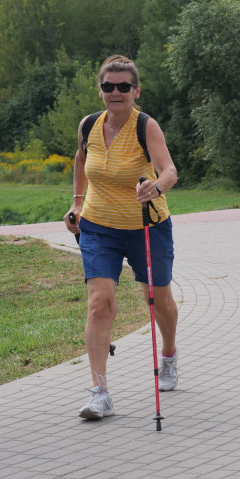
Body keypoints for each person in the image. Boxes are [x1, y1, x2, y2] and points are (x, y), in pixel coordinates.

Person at [64, 55, 180, 421]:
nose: (116, 92)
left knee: (157, 298)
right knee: (100, 304)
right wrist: (77, 204)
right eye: (108, 86)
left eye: (123, 87)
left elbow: (170, 171)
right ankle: (100, 393)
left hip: (148, 226)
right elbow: (82, 163)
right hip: (99, 228)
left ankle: (170, 353)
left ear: (135, 91)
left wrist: (155, 187)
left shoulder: (146, 126)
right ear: (100, 91)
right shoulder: (88, 126)